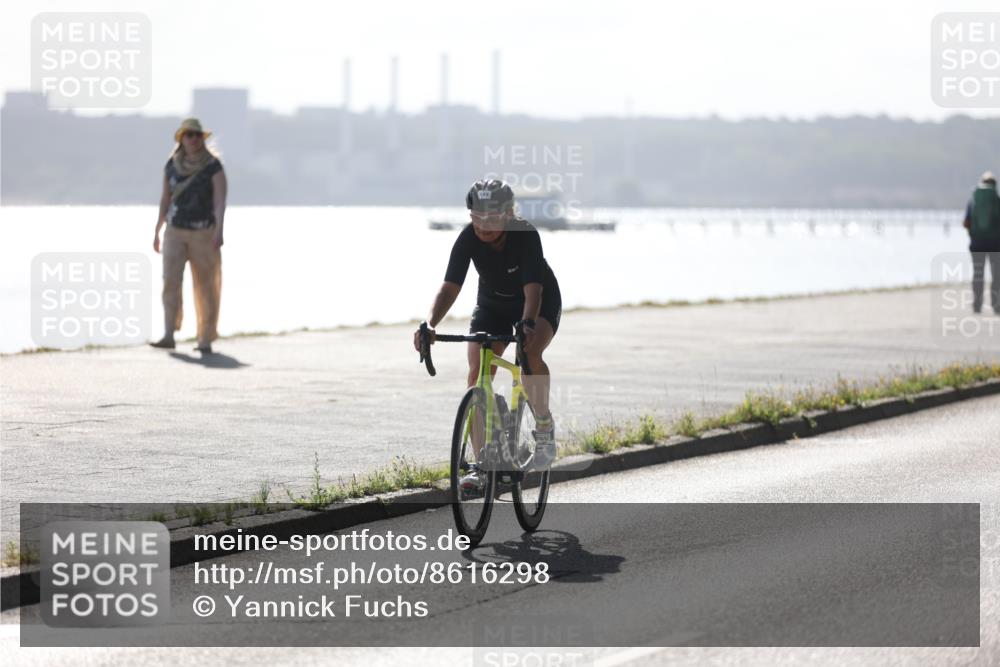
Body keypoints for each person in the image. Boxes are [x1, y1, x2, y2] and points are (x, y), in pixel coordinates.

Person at [413, 179, 562, 494]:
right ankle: (482, 465)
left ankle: (545, 428)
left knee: (530, 353)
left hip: (536, 301)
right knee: (477, 373)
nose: (482, 225)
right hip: (492, 303)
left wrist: (526, 323)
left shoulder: (526, 235)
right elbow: (450, 285)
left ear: (508, 213)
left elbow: (532, 289)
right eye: (476, 217)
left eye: (491, 218)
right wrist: (429, 324)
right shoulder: (468, 238)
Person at [150, 118, 227, 353]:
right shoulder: (171, 165)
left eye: (197, 135)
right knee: (170, 281)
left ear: (202, 139)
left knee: (206, 286)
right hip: (174, 231)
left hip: (204, 232)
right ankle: (168, 333)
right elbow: (165, 198)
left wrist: (219, 231)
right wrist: (157, 230)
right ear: (181, 139)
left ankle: (205, 338)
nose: (193, 139)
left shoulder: (213, 166)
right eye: (189, 135)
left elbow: (220, 202)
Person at [962, 171, 1000, 314]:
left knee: (978, 274)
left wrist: (975, 232)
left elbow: (965, 223)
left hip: (977, 244)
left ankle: (977, 306)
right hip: (996, 244)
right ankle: (996, 305)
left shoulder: (973, 200)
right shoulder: (997, 199)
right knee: (996, 276)